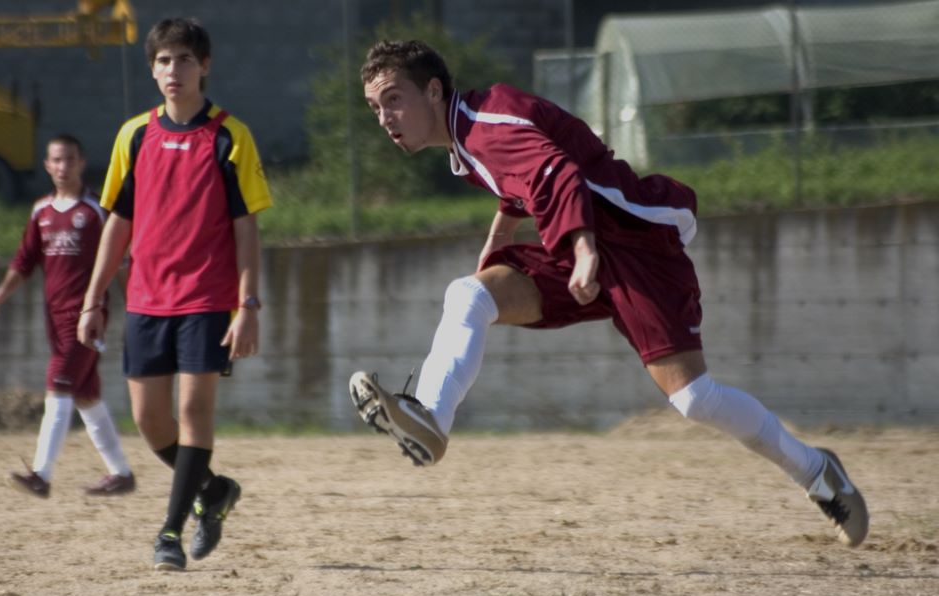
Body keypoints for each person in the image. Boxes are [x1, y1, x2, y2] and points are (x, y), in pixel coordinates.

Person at [348, 40, 870, 548]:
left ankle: (817, 471)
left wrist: (586, 249)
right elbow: (522, 182)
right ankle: (431, 418)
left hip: (635, 244)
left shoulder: (484, 129)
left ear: (434, 91)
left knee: (694, 399)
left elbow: (558, 173)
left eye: (394, 99)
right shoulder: (468, 136)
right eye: (375, 107)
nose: (384, 118)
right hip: (580, 246)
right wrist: (501, 239)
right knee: (470, 295)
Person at [78, 17, 272, 571]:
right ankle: (214, 492)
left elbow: (246, 227)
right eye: (164, 60)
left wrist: (248, 305)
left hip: (207, 299)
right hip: (145, 299)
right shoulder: (134, 134)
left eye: (184, 59)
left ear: (204, 66)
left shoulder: (231, 136)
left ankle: (169, 532)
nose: (173, 70)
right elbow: (118, 220)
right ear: (153, 68)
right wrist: (94, 298)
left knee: (193, 409)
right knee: (150, 422)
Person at [0, 134, 136, 498]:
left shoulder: (97, 209)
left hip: (87, 316)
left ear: (82, 163)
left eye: (70, 159)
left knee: (59, 383)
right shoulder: (42, 211)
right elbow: (25, 260)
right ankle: (121, 473)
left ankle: (41, 474)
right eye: (56, 160)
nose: (63, 166)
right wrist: (1, 292)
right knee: (85, 394)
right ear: (47, 166)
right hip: (54, 318)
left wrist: (137, 306)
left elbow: (120, 260)